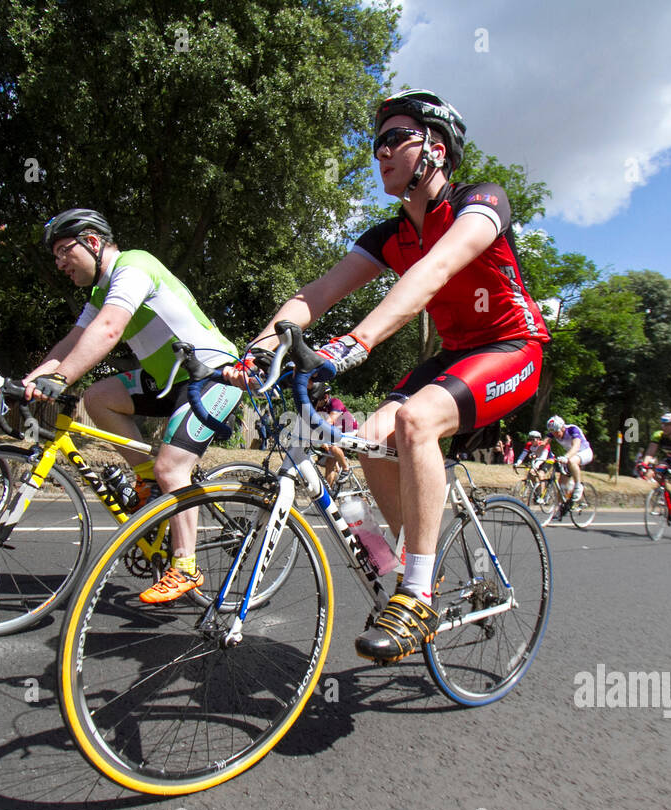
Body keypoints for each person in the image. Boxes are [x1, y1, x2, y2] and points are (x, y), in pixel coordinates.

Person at [224, 89, 550, 664]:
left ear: (438, 149)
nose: (380, 153)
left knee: (414, 420)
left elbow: (437, 269)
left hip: (512, 347)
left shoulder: (482, 200)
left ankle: (417, 595)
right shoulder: (388, 234)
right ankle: (415, 565)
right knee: (368, 442)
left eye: (395, 138)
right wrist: (254, 351)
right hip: (455, 355)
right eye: (376, 144)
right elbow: (315, 294)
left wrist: (356, 342)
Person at [26, 207, 244, 604]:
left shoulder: (134, 265)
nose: (59, 263)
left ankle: (185, 567)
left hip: (214, 374)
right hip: (169, 381)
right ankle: (146, 480)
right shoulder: (101, 290)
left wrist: (59, 379)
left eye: (62, 251)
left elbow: (108, 330)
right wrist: (32, 377)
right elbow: (76, 340)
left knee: (173, 467)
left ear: (92, 242)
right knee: (98, 398)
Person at [310, 381, 359, 486]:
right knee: (329, 463)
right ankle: (329, 492)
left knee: (332, 446)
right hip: (337, 432)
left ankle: (346, 469)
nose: (313, 402)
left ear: (325, 396)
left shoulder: (335, 403)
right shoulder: (319, 407)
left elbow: (329, 422)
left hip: (350, 430)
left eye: (315, 399)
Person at [545, 415, 592, 512]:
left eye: (557, 432)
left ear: (562, 427)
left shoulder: (572, 430)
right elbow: (543, 444)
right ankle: (560, 509)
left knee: (571, 461)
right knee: (561, 484)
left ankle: (579, 486)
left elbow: (576, 446)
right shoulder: (554, 433)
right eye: (553, 433)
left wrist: (566, 457)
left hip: (584, 452)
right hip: (571, 455)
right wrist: (536, 456)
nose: (555, 435)